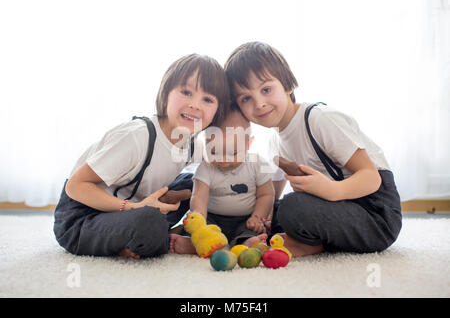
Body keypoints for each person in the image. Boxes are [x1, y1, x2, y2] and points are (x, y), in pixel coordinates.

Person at [223, 41, 402, 257]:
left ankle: (310, 244)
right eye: (246, 98)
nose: (259, 103)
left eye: (266, 90)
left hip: (374, 214)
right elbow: (271, 196)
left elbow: (372, 178)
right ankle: (255, 239)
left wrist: (332, 190)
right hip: (333, 209)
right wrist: (261, 219)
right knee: (254, 209)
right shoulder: (274, 143)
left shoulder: (319, 119)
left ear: (288, 85)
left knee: (293, 207)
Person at [53, 54, 231, 259]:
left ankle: (152, 235)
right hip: (83, 217)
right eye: (186, 92)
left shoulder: (189, 143)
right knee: (149, 222)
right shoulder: (137, 137)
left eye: (207, 99)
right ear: (166, 94)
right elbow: (75, 186)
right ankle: (159, 238)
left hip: (135, 207)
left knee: (200, 182)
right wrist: (134, 207)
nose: (196, 105)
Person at [170, 108, 275, 254]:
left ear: (248, 144)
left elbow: (266, 194)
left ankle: (246, 242)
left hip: (245, 218)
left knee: (251, 230)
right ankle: (195, 244)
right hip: (213, 217)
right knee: (200, 229)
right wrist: (199, 216)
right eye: (214, 152)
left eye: (232, 153)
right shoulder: (206, 167)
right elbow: (199, 196)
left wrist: (257, 217)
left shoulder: (257, 163)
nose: (223, 160)